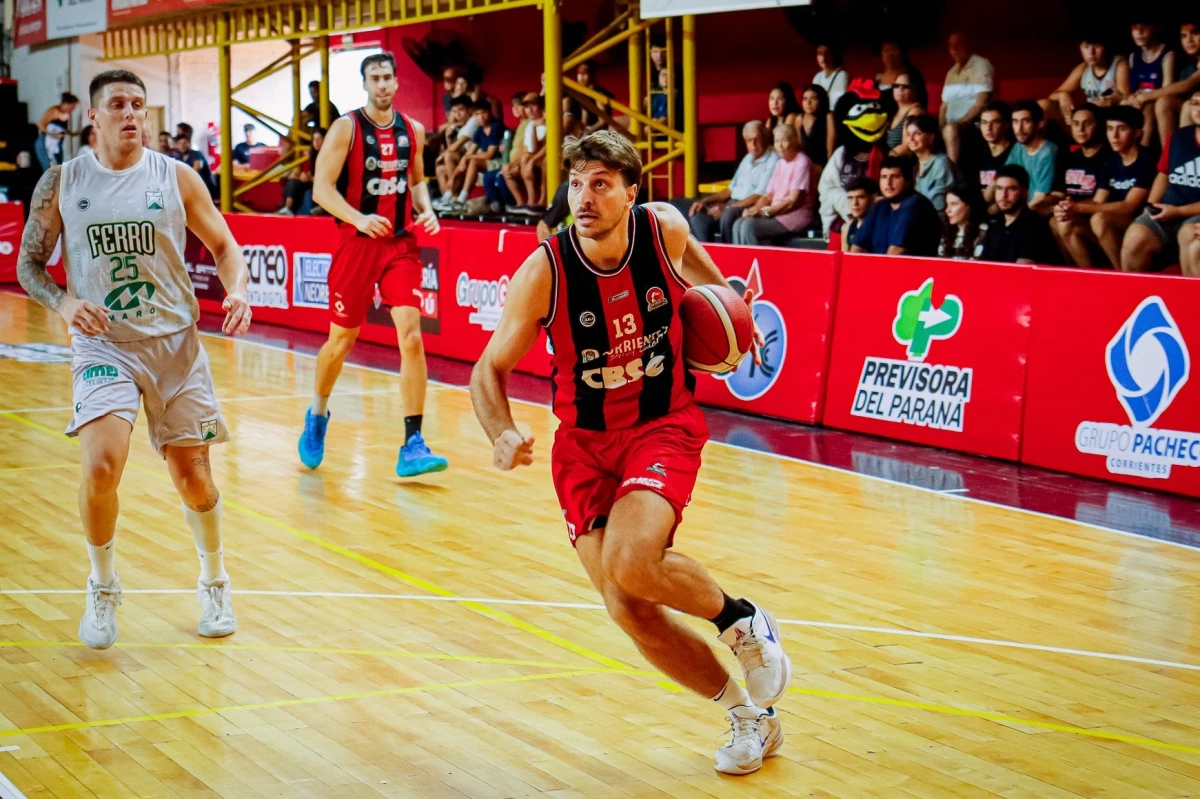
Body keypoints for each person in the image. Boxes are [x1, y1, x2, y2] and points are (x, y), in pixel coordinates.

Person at [470, 130, 791, 777]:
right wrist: (500, 431)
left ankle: (742, 621)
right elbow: (487, 370)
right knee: (626, 605)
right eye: (576, 184)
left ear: (631, 193)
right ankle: (749, 717)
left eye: (600, 184)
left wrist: (736, 322)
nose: (583, 198)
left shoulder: (664, 229)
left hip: (660, 426)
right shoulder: (545, 271)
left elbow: (704, 273)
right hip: (583, 448)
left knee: (632, 558)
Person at [15, 69, 253, 650]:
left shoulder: (176, 177)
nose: (130, 113)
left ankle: (214, 579)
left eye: (138, 105)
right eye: (118, 104)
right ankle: (102, 585)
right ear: (93, 117)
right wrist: (65, 303)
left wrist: (239, 290)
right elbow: (28, 264)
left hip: (175, 345)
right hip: (104, 345)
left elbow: (225, 246)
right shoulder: (62, 181)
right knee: (101, 466)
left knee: (194, 479)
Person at [301, 52, 448, 476]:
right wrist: (359, 218)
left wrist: (427, 209)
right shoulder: (346, 128)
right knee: (342, 340)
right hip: (357, 245)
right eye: (375, 78)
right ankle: (318, 413)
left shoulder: (413, 130)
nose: (382, 84)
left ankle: (413, 443)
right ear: (365, 84)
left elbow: (417, 181)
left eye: (387, 77)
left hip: (400, 245)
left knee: (412, 337)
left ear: (397, 82)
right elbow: (321, 189)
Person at [1054, 107, 1155, 268]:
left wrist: (1078, 207)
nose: (1114, 136)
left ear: (1137, 133)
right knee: (1066, 223)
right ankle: (1089, 277)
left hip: (1140, 222)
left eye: (1121, 129)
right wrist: (1067, 208)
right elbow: (1098, 200)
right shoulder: (1111, 160)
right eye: (1110, 129)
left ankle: (1121, 274)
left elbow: (1129, 206)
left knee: (1100, 219)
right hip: (1114, 220)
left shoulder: (1147, 159)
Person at [1120, 89, 1200, 275]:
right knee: (1134, 239)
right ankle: (1133, 293)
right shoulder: (1178, 137)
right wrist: (1150, 206)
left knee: (1189, 235)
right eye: (1195, 104)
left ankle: (1187, 294)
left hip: (1193, 213)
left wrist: (1178, 211)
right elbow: (1163, 174)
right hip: (1168, 210)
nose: (1198, 109)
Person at [673, 121, 777, 242]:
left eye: (756, 139)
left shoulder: (773, 159)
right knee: (696, 211)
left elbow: (758, 196)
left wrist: (727, 208)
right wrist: (704, 201)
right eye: (749, 140)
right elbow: (730, 190)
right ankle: (706, 251)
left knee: (728, 215)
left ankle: (727, 252)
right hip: (731, 202)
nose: (753, 144)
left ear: (764, 138)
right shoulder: (747, 158)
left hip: (748, 205)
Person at [732, 124, 815, 245]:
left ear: (794, 140)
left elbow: (793, 202)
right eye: (777, 141)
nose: (780, 146)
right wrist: (754, 209)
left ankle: (752, 258)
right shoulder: (780, 163)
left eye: (784, 140)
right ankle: (740, 257)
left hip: (793, 216)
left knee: (748, 226)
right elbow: (768, 194)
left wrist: (766, 212)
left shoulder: (802, 162)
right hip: (776, 213)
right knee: (739, 223)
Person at [1125, 20, 1200, 149]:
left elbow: (1187, 85)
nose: (1189, 40)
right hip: (1190, 106)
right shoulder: (1189, 66)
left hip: (1192, 107)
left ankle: (1182, 155)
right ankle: (1167, 154)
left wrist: (1146, 96)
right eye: (1184, 36)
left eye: (1195, 33)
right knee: (1163, 102)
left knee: (1186, 106)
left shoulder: (1169, 55)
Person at [852, 156, 942, 256]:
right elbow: (857, 248)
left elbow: (896, 252)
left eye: (895, 177)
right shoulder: (880, 206)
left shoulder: (915, 204)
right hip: (882, 265)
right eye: (884, 177)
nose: (888, 183)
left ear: (908, 181)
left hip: (911, 266)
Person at [979, 165, 1062, 264]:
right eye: (999, 188)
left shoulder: (1033, 225)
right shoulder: (994, 223)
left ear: (1025, 192)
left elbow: (1022, 270)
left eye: (1011, 189)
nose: (1003, 195)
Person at [1045, 36, 1130, 126]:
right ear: (1080, 48)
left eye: (1097, 46)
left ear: (1106, 46)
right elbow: (1053, 95)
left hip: (1111, 120)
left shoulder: (1119, 64)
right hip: (1089, 119)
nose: (1091, 53)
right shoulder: (1083, 68)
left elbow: (1127, 99)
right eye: (1086, 47)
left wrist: (1113, 100)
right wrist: (1063, 95)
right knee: (1044, 104)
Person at [940, 32, 994, 163]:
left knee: (950, 130)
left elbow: (980, 104)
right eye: (951, 45)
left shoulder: (981, 65)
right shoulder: (951, 72)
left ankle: (952, 172)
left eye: (958, 44)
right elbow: (943, 107)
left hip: (973, 125)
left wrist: (957, 124)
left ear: (969, 45)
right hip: (951, 126)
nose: (954, 48)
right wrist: (940, 129)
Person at [1123, 20, 1175, 147]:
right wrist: (1131, 98)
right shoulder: (1133, 56)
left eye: (1144, 27)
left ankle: (1144, 149)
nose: (1139, 32)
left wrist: (1145, 97)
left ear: (1155, 28)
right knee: (1123, 104)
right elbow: (1131, 90)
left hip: (1157, 101)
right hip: (1139, 101)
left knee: (1148, 107)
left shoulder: (1168, 54)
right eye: (1135, 27)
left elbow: (1167, 89)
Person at [447, 101, 506, 209]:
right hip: (490, 163)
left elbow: (490, 154)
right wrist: (453, 176)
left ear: (490, 112)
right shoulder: (480, 130)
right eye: (477, 114)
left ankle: (461, 199)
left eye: (483, 113)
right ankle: (448, 197)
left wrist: (467, 158)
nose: (481, 117)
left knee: (473, 161)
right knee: (466, 162)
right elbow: (470, 152)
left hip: (502, 162)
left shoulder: (496, 126)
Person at [1006, 101, 1059, 213]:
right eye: (1015, 121)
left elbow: (1039, 199)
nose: (1019, 129)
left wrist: (1018, 217)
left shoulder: (1047, 152)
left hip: (1035, 212)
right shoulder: (1018, 147)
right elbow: (1004, 178)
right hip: (1018, 207)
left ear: (1039, 124)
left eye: (1026, 121)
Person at [905, 115, 959, 213]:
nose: (911, 138)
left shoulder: (941, 163)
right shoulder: (914, 165)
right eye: (908, 134)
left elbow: (938, 205)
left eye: (917, 133)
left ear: (931, 137)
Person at [1058, 104, 1108, 202]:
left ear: (1099, 125)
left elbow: (1099, 201)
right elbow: (1058, 193)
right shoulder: (1068, 157)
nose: (1081, 129)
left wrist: (1072, 207)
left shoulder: (1110, 157)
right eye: (1076, 124)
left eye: (1088, 123)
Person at [969, 101, 1014, 207]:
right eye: (984, 122)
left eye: (995, 122)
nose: (988, 128)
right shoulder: (977, 154)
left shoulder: (1015, 153)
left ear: (1006, 125)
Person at [280, 127, 323, 215]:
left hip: (323, 184)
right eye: (314, 139)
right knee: (293, 181)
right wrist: (299, 175)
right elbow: (308, 172)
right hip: (312, 182)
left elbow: (327, 178)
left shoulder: (329, 156)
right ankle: (287, 208)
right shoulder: (311, 156)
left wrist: (309, 178)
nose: (316, 142)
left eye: (319, 139)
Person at [939, 185, 987, 259]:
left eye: (953, 204)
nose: (947, 210)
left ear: (968, 206)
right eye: (947, 204)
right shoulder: (946, 232)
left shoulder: (983, 232)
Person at [35, 92, 79, 171]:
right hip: (45, 142)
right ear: (65, 104)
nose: (72, 110)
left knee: (59, 168)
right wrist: (53, 135)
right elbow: (40, 125)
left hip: (57, 144)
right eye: (71, 107)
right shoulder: (54, 111)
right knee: (49, 169)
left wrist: (74, 133)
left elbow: (62, 129)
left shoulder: (65, 115)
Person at [885, 73, 924, 156]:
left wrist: (885, 160)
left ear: (915, 90)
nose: (900, 89)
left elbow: (907, 146)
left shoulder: (915, 111)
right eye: (896, 86)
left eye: (906, 86)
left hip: (905, 160)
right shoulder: (894, 110)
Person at [797, 85, 835, 167]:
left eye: (813, 99)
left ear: (821, 100)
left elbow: (830, 149)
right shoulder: (799, 118)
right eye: (805, 99)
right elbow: (799, 148)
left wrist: (828, 169)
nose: (808, 103)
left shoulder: (828, 116)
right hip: (805, 165)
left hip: (823, 164)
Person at [841, 176, 878, 252]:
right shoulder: (847, 228)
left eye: (861, 197)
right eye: (850, 198)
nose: (855, 203)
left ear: (872, 199)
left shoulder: (881, 225)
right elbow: (845, 256)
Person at [174, 134, 217, 198]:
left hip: (204, 187)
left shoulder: (196, 154)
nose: (182, 146)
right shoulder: (179, 157)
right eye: (179, 144)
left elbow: (197, 169)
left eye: (185, 143)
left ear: (189, 143)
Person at [813, 43, 848, 108]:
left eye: (827, 54)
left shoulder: (841, 75)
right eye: (820, 53)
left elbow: (837, 101)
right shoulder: (817, 77)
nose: (823, 58)